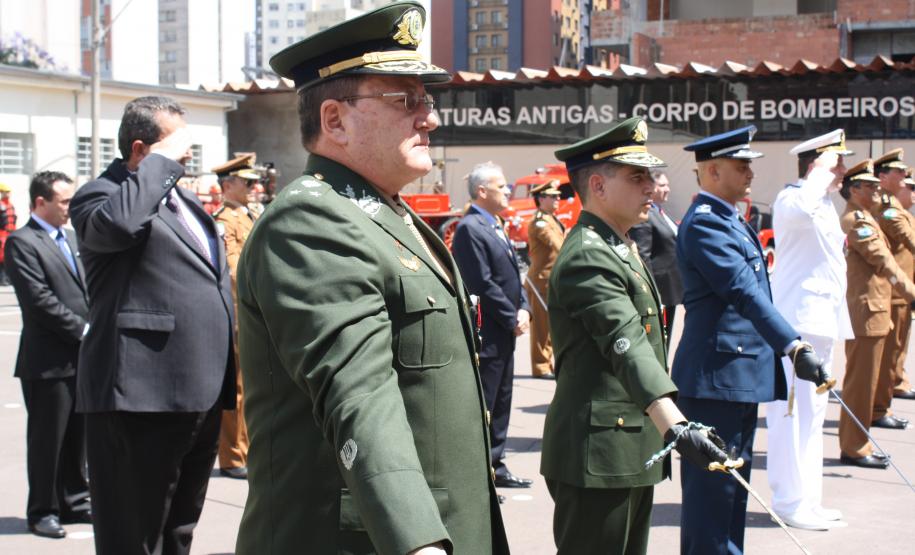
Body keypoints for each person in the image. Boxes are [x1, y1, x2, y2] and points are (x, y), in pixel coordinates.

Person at [234, 3, 509, 554]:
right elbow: (360, 397)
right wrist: (418, 543)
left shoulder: (387, 215)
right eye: (406, 101)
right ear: (335, 120)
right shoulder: (311, 220)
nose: (429, 119)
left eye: (427, 101)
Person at [541, 117, 729, 555]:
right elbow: (625, 342)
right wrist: (675, 423)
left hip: (627, 443)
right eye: (636, 177)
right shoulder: (588, 255)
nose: (651, 186)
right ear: (598, 186)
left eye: (650, 176)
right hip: (599, 453)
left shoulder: (616, 243)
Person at [69, 96, 236, 555]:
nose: (186, 155)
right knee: (133, 537)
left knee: (178, 531)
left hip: (198, 390)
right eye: (176, 146)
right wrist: (158, 163)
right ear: (140, 150)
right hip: (141, 396)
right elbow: (120, 227)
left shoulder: (184, 201)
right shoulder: (100, 196)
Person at [672, 126, 829, 555]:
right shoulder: (706, 224)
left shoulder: (727, 218)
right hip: (715, 378)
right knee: (712, 502)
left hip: (735, 375)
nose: (750, 174)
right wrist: (792, 345)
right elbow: (742, 290)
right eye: (741, 166)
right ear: (713, 171)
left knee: (732, 496)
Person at [765, 130, 852, 530]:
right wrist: (821, 170)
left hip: (820, 323)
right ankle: (788, 501)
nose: (843, 170)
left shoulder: (824, 203)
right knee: (790, 416)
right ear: (816, 165)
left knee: (813, 415)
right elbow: (801, 211)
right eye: (838, 163)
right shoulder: (792, 198)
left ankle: (808, 500)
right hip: (797, 326)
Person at [4, 171, 91, 539]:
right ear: (41, 202)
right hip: (48, 361)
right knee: (47, 441)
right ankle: (42, 510)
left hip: (81, 357)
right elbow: (39, 300)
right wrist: (84, 329)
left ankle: (75, 500)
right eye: (64, 201)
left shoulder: (70, 238)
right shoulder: (22, 242)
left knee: (77, 437)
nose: (70, 207)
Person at [452, 161, 533, 490]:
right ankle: (478, 477)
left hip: (505, 329)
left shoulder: (494, 223)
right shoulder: (470, 228)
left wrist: (524, 307)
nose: (508, 191)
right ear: (481, 191)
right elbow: (481, 283)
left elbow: (513, 275)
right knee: (484, 405)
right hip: (489, 332)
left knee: (501, 401)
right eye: (502, 187)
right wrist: (511, 316)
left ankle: (495, 465)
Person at [838, 160, 915, 469]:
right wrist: (911, 292)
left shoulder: (866, 217)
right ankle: (854, 447)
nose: (876, 190)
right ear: (854, 190)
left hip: (875, 309)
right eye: (870, 186)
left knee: (867, 384)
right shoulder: (857, 221)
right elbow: (884, 260)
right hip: (866, 313)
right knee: (860, 385)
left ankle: (860, 442)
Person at [212, 153, 262, 480]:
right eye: (247, 182)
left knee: (255, 386)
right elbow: (232, 269)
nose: (253, 187)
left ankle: (249, 448)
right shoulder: (223, 220)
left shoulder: (251, 214)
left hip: (255, 313)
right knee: (238, 388)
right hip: (238, 313)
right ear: (228, 185)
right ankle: (232, 455)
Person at [871, 149, 915, 407]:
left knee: (895, 350)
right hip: (894, 290)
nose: (903, 176)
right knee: (889, 352)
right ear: (883, 177)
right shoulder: (887, 209)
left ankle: (890, 392)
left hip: (903, 289)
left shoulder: (895, 208)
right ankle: (880, 406)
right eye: (898, 172)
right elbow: (909, 240)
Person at [629, 170, 683, 345]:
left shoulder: (660, 212)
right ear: (650, 187)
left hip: (670, 289)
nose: (667, 189)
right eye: (662, 185)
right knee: (657, 342)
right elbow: (643, 258)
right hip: (659, 291)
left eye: (667, 185)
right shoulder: (645, 216)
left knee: (665, 341)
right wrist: (652, 294)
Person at [525, 179, 565, 380]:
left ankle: (549, 364)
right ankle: (541, 367)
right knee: (542, 328)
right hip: (541, 281)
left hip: (552, 280)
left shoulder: (551, 219)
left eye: (558, 196)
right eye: (553, 196)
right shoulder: (539, 222)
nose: (558, 199)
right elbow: (559, 246)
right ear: (541, 199)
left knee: (553, 326)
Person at [0, 182, 18, 285]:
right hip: (1, 234)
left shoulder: (10, 205)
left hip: (10, 233)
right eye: (5, 192)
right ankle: (2, 278)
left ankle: (9, 278)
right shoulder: (1, 205)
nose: (7, 194)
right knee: (2, 257)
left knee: (10, 255)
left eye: (8, 192)